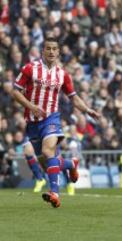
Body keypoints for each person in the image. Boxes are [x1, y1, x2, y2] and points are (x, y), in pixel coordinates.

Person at [12, 37, 100, 208]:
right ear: (42, 51)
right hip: (32, 122)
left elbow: (73, 98)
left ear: (59, 52)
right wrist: (31, 106)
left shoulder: (63, 75)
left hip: (51, 118)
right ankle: (70, 164)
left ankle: (55, 193)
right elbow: (15, 92)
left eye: (54, 49)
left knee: (47, 151)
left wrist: (87, 110)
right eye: (48, 48)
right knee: (46, 162)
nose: (51, 52)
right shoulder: (30, 69)